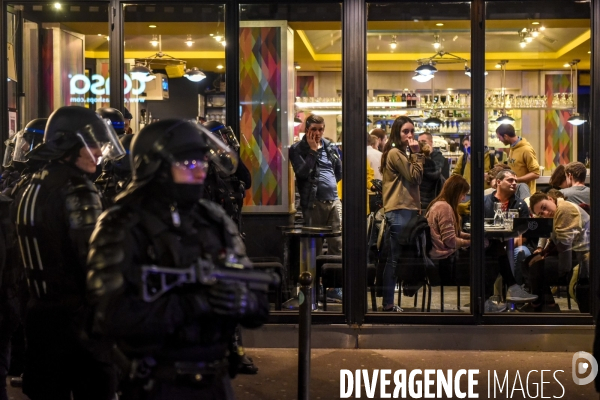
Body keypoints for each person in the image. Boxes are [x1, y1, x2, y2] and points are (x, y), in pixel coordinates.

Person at [85, 119, 270, 399]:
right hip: (156, 382)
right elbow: (112, 316)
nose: (200, 172)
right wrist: (193, 304)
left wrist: (244, 302)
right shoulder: (122, 223)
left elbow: (255, 298)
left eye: (202, 162)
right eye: (188, 164)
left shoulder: (212, 219)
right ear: (156, 166)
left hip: (215, 380)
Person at [14, 106, 125, 400]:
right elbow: (93, 259)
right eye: (91, 145)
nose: (99, 152)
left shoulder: (34, 183)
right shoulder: (78, 188)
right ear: (68, 144)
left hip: (39, 315)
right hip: (77, 321)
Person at [380, 116, 424, 312]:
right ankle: (388, 303)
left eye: (412, 131)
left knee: (397, 258)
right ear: (397, 133)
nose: (410, 135)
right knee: (395, 259)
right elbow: (415, 177)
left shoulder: (400, 152)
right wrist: (417, 154)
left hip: (403, 210)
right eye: (405, 131)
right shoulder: (396, 153)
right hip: (399, 211)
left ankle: (389, 301)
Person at [483, 169, 537, 311]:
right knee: (492, 251)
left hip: (516, 243)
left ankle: (485, 299)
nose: (514, 183)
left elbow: (525, 230)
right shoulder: (485, 202)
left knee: (500, 251)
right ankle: (513, 288)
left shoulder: (520, 205)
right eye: (510, 180)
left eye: (515, 181)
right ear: (499, 182)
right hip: (487, 244)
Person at [289, 114, 342, 257]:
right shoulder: (297, 149)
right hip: (313, 202)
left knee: (337, 243)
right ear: (307, 130)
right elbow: (302, 173)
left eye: (321, 129)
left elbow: (338, 170)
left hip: (334, 199)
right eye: (314, 129)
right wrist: (312, 151)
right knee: (314, 247)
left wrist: (329, 184)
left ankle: (332, 278)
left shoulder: (329, 146)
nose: (318, 133)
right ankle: (313, 278)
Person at [527, 191, 590, 312]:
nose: (545, 213)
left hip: (582, 258)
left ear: (550, 199)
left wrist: (562, 273)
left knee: (536, 268)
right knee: (531, 263)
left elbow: (564, 246)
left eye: (544, 207)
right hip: (573, 254)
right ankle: (546, 304)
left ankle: (541, 305)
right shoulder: (558, 211)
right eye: (541, 213)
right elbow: (556, 241)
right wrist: (543, 254)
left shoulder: (564, 209)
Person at [425, 175, 471, 260]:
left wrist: (469, 236)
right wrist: (469, 242)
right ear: (455, 193)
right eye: (463, 194)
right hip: (442, 256)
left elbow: (451, 233)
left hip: (438, 255)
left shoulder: (439, 204)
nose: (464, 198)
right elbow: (450, 241)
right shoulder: (444, 207)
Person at [495, 124, 540, 193]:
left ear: (506, 136)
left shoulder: (526, 150)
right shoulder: (512, 148)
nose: (499, 140)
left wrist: (515, 179)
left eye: (499, 137)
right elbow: (516, 166)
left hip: (525, 193)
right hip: (514, 192)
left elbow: (536, 173)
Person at [418, 132, 446, 210]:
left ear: (431, 142)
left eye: (423, 141)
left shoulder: (438, 157)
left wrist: (426, 156)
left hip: (433, 198)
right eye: (419, 142)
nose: (421, 144)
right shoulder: (417, 156)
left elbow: (435, 173)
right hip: (418, 199)